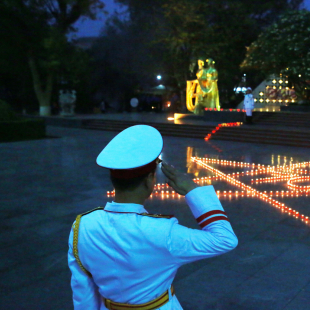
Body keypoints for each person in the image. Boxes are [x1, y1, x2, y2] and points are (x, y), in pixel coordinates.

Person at [68, 125, 238, 310]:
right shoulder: (163, 232)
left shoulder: (82, 226)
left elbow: (83, 292)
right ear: (150, 180)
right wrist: (193, 191)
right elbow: (225, 239)